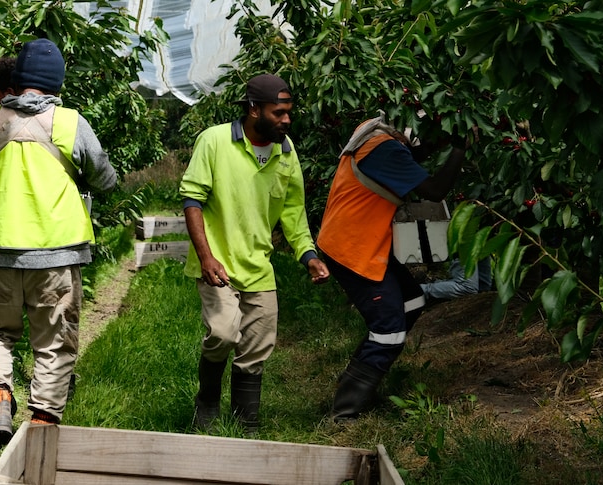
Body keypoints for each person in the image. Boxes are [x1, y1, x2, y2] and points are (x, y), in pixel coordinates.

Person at [0, 38, 116, 466]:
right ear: (57, 82)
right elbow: (105, 180)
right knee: (54, 343)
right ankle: (41, 428)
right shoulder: (72, 123)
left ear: (18, 81)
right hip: (57, 253)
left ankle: (0, 403)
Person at [179, 73, 329, 434]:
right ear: (253, 110)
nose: (287, 120)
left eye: (288, 112)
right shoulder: (214, 141)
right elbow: (192, 200)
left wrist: (308, 255)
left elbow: (294, 213)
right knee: (223, 333)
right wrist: (206, 257)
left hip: (259, 266)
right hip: (217, 263)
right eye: (278, 113)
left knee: (258, 345)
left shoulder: (287, 151)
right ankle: (208, 402)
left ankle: (246, 423)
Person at [316, 115, 474, 421]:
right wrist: (459, 148)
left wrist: (435, 142)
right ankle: (344, 413)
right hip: (353, 248)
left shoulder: (372, 131)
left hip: (361, 240)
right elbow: (434, 190)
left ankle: (364, 375)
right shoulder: (384, 149)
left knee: (411, 302)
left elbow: (412, 156)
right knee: (389, 331)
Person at [420, 256, 492, 300]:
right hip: (466, 238)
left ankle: (439, 284)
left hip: (482, 239)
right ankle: (419, 290)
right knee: (467, 288)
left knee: (483, 289)